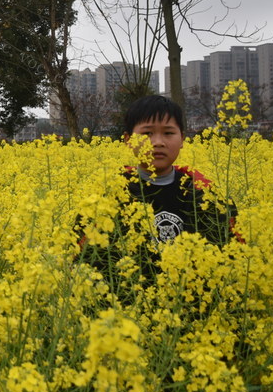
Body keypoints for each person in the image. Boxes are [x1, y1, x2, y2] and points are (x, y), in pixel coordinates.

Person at [80, 95, 236, 289]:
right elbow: (82, 260)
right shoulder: (108, 193)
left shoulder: (203, 192)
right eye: (147, 134)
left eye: (169, 133)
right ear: (128, 140)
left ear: (182, 140)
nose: (158, 142)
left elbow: (232, 255)